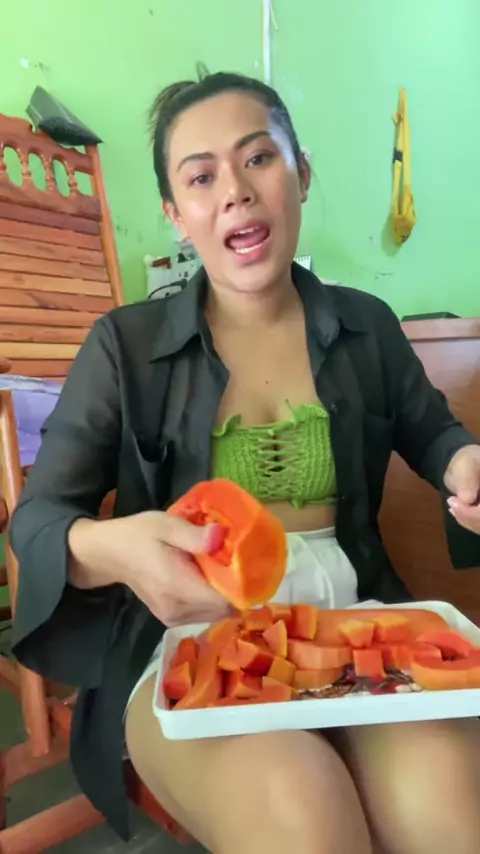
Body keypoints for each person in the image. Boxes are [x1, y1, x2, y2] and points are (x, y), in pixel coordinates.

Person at [9, 70, 480, 854]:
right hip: (188, 644)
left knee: (451, 812)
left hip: (358, 624)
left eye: (259, 158)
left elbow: (435, 433)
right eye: (201, 177)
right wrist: (113, 547)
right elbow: (39, 522)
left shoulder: (368, 326)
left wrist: (464, 463)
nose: (235, 191)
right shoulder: (123, 347)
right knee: (306, 817)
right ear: (175, 213)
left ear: (302, 173)